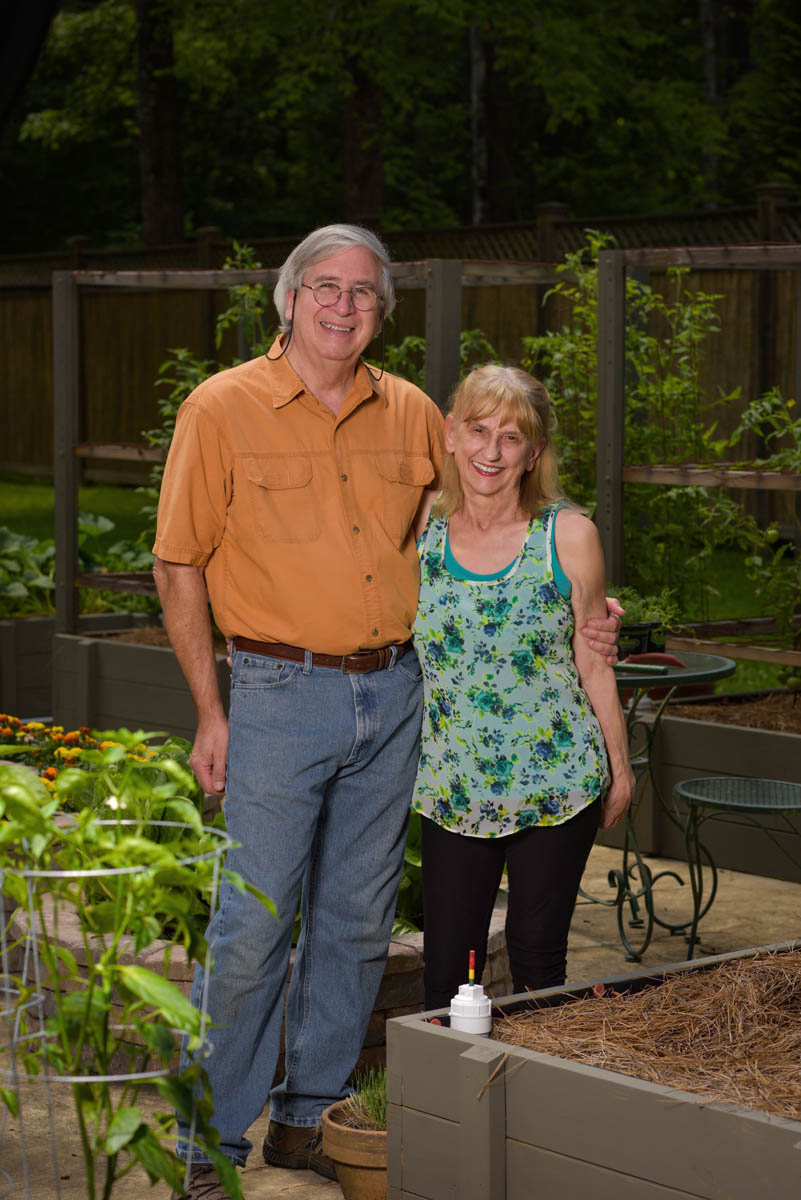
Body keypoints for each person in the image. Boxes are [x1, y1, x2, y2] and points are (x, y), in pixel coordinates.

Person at [153, 225, 622, 1199]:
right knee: (252, 927)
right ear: (289, 298)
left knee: (357, 924)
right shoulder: (221, 408)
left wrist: (584, 611)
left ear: (381, 314)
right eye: (324, 287)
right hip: (278, 692)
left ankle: (305, 1118)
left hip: (398, 693)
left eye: (363, 294)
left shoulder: (412, 412)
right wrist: (211, 707)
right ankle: (210, 1146)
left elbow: (491, 510)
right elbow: (177, 562)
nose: (342, 305)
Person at [411, 364, 635, 1011]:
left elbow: (592, 659)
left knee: (539, 966)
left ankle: (535, 1106)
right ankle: (452, 1110)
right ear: (450, 434)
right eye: (478, 430)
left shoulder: (566, 535)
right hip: (453, 785)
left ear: (534, 451)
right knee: (449, 971)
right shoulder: (418, 529)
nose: (490, 451)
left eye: (511, 437)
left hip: (556, 783)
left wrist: (618, 769)